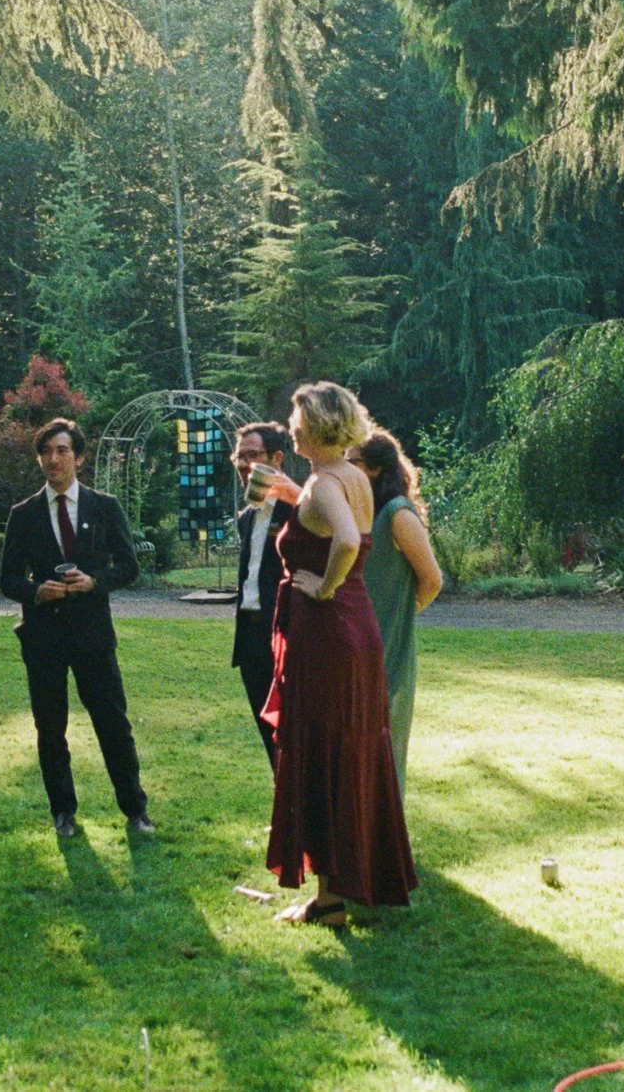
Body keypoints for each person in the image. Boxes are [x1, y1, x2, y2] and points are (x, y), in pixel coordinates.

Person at [262, 381, 416, 924]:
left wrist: (322, 588)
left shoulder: (328, 481)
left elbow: (346, 540)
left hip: (328, 634)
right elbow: (337, 527)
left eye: (296, 416)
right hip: (358, 631)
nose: (290, 422)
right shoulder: (351, 476)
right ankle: (347, 882)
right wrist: (291, 497)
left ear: (314, 425)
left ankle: (328, 901)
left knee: (324, 755)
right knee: (349, 752)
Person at [0, 417, 153, 838]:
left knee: (113, 724)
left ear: (79, 458)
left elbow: (129, 566)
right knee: (50, 728)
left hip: (93, 636)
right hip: (43, 638)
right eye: (46, 452)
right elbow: (7, 579)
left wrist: (94, 582)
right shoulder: (24, 513)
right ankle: (63, 812)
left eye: (62, 451)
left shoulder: (105, 506)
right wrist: (36, 591)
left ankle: (135, 810)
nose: (53, 459)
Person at [352, 428, 443, 790]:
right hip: (359, 642)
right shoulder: (366, 512)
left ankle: (386, 835)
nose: (346, 470)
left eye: (352, 463)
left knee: (383, 741)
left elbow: (432, 579)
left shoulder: (397, 514)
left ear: (374, 469)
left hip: (389, 643)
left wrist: (402, 613)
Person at [228, 422, 294, 764]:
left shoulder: (299, 511)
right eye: (240, 456)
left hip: (287, 636)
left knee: (293, 731)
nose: (243, 464)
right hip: (251, 635)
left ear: (277, 458)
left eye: (252, 456)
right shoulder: (247, 517)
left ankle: (300, 813)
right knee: (267, 732)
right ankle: (283, 814)